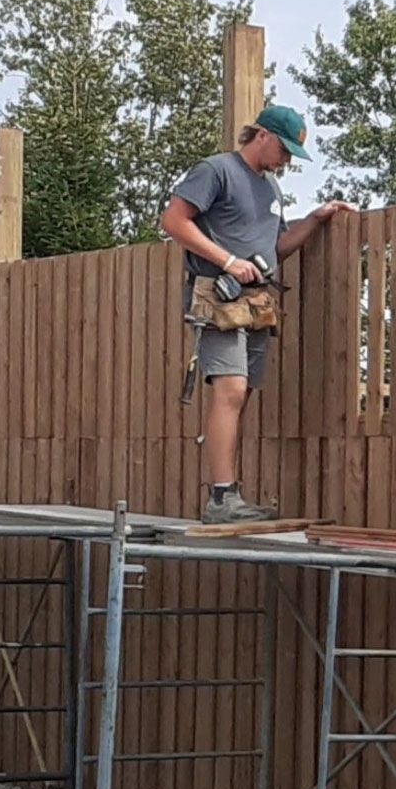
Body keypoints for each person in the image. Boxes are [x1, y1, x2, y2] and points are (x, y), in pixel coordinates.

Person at [160, 105, 354, 523]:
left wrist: (316, 220)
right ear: (261, 135)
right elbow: (174, 221)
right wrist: (228, 260)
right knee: (229, 389)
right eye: (283, 151)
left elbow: (277, 247)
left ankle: (230, 494)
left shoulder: (271, 189)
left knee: (241, 393)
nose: (286, 162)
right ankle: (221, 498)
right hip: (218, 294)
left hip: (257, 300)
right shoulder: (216, 170)